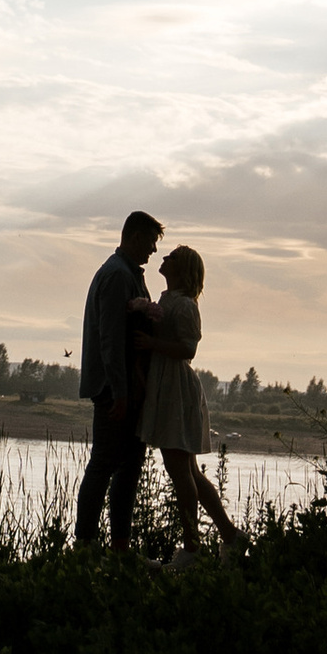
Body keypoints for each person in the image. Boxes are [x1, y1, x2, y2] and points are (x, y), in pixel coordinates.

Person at [131, 243, 245, 562]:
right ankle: (232, 536)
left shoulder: (184, 306)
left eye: (173, 257)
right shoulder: (169, 300)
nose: (164, 258)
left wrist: (153, 343)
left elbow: (187, 349)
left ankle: (192, 550)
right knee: (189, 471)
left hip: (176, 390)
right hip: (165, 386)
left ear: (184, 271)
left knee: (180, 471)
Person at [74, 207, 162, 550]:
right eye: (151, 242)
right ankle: (86, 543)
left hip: (128, 388)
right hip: (116, 390)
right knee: (105, 464)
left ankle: (119, 546)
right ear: (135, 236)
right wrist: (120, 392)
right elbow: (111, 338)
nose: (153, 251)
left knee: (129, 467)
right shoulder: (117, 276)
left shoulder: (128, 274)